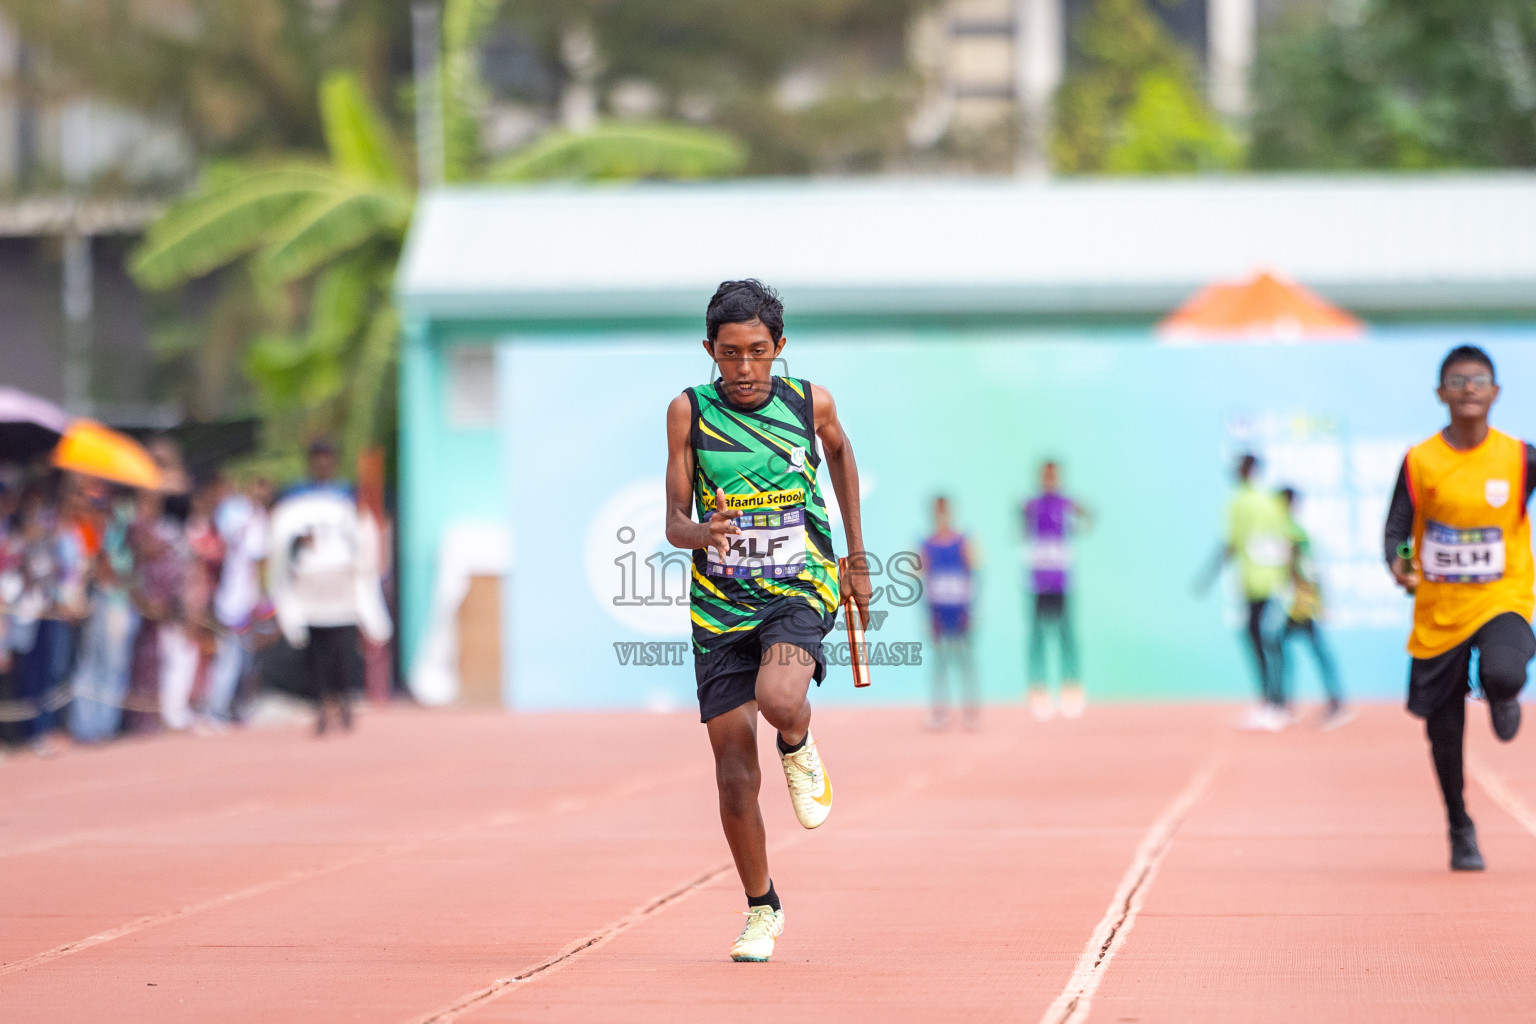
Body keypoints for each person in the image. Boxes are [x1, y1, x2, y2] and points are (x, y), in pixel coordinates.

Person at [664, 279, 869, 963]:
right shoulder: (688, 414)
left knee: (782, 699)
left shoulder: (810, 402)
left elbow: (840, 454)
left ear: (779, 347)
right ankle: (762, 907)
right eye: (729, 355)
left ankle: (799, 739)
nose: (744, 369)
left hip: (796, 586)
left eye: (757, 352)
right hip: (720, 604)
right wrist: (702, 532)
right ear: (709, 351)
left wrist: (856, 558)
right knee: (731, 774)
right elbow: (672, 525)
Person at [1384, 345, 1536, 872]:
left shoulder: (1521, 458)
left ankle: (1501, 692)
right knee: (1443, 733)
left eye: (1479, 379)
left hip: (1502, 598)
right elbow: (1397, 531)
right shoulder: (1421, 461)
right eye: (1457, 380)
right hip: (1439, 612)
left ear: (1495, 392)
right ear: (1440, 394)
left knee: (1503, 669)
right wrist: (1398, 564)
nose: (1468, 388)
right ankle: (1460, 826)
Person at [268, 439, 393, 735]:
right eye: (317, 458)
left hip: (341, 592)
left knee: (341, 652)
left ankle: (343, 700)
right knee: (314, 653)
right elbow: (281, 545)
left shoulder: (346, 497)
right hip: (309, 592)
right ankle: (320, 705)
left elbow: (363, 541)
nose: (322, 464)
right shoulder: (295, 498)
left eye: (327, 458)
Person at [1199, 453, 1291, 732]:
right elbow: (1286, 539)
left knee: (1260, 642)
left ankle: (1271, 702)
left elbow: (1230, 544)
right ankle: (1276, 702)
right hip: (1276, 580)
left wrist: (1207, 577)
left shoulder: (1239, 501)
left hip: (1254, 582)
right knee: (1272, 642)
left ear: (1246, 470)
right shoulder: (1271, 501)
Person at [1276, 487, 1353, 730]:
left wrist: (1309, 598)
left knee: (1306, 651)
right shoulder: (1295, 531)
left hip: (1298, 604)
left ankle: (1331, 701)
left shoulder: (1291, 532)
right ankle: (1287, 702)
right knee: (1287, 650)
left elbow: (1302, 568)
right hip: (1298, 602)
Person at [1022, 461, 1090, 720]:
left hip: (1062, 580)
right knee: (1037, 636)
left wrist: (1079, 512)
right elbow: (1021, 528)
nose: (1050, 479)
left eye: (1054, 475)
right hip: (1038, 580)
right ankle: (1037, 690)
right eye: (1045, 475)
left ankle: (1071, 689)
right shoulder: (1031, 504)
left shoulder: (1067, 504)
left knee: (1066, 635)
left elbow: (1087, 519)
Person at [922, 496, 979, 730]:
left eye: (945, 511)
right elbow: (924, 580)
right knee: (940, 663)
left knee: (965, 661)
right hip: (938, 611)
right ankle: (940, 713)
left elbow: (972, 574)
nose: (941, 516)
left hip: (960, 610)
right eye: (938, 511)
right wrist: (929, 615)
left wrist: (970, 610)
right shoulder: (926, 545)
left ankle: (971, 713)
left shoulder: (963, 541)